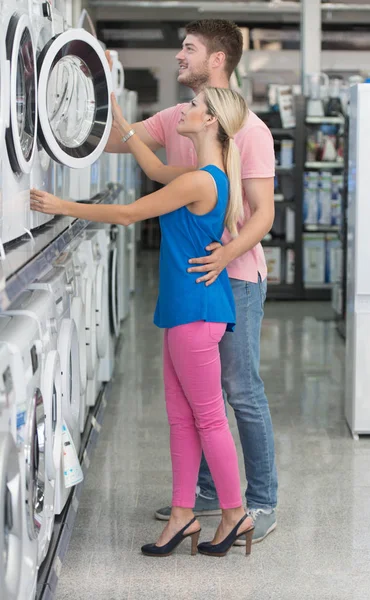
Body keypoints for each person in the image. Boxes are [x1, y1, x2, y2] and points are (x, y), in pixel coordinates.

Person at [31, 87, 256, 557]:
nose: (185, 109)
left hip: (196, 314)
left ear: (210, 121)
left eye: (194, 106)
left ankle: (235, 513)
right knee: (181, 417)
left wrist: (62, 206)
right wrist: (126, 124)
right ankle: (182, 515)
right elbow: (153, 170)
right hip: (185, 310)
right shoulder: (201, 174)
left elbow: (131, 213)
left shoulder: (202, 180)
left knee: (208, 417)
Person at [105, 19, 278, 545]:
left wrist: (224, 254)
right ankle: (204, 496)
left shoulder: (250, 129)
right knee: (198, 394)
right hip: (196, 281)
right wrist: (58, 123)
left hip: (238, 276)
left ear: (218, 60)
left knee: (239, 390)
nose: (179, 56)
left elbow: (263, 213)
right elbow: (136, 151)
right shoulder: (182, 116)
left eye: (189, 49)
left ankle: (261, 500)